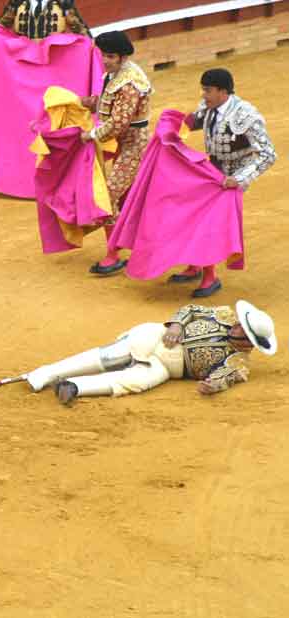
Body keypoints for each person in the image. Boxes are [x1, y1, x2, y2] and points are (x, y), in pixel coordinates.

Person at [23, 300, 276, 405]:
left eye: (244, 332)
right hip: (156, 335)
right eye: (241, 324)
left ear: (250, 342)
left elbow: (223, 379)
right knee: (111, 356)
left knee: (136, 381)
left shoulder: (238, 363)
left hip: (168, 368)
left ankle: (73, 387)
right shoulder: (223, 314)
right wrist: (176, 324)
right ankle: (45, 373)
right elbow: (189, 309)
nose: (237, 327)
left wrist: (213, 385)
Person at [167, 68, 277, 296]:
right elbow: (192, 121)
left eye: (207, 90)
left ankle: (210, 277)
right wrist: (170, 127)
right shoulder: (210, 107)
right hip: (213, 170)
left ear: (223, 91)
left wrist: (238, 179)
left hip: (234, 174)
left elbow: (268, 154)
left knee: (209, 222)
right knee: (192, 215)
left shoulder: (246, 115)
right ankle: (195, 265)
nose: (203, 95)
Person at [80, 31, 152, 276]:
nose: (105, 60)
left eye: (110, 56)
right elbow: (111, 104)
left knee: (109, 195)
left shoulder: (130, 82)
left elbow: (120, 121)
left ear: (122, 57)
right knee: (129, 199)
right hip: (123, 144)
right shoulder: (114, 75)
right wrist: (92, 103)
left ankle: (113, 254)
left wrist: (91, 136)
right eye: (103, 54)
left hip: (135, 146)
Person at [0, 0, 90, 39]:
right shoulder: (17, 2)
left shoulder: (63, 2)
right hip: (24, 52)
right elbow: (4, 22)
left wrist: (91, 43)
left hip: (54, 53)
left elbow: (77, 26)